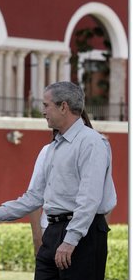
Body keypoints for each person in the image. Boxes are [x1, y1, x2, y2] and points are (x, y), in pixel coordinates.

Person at [0, 82, 117, 280]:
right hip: (53, 232)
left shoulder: (92, 143)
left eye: (46, 105)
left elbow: (89, 199)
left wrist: (71, 239)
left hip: (83, 234)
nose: (42, 111)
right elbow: (32, 198)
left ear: (64, 107)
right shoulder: (49, 150)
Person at [29, 109, 93, 256]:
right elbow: (34, 197)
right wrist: (37, 238)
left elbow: (103, 199)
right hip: (51, 229)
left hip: (86, 232)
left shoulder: (94, 149)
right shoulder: (47, 151)